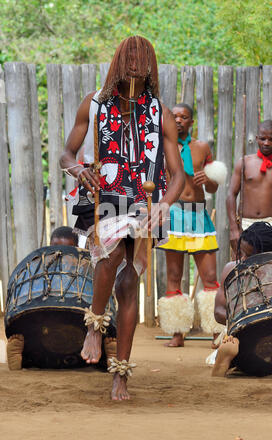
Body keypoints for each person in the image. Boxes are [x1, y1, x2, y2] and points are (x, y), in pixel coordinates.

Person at [60, 36, 185, 400]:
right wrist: (79, 170)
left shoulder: (160, 113)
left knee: (129, 283)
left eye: (141, 57)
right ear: (118, 60)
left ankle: (121, 374)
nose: (134, 63)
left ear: (150, 64)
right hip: (105, 200)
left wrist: (165, 204)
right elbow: (67, 154)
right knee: (113, 253)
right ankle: (96, 324)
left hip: (146, 204)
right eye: (128, 56)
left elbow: (177, 175)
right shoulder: (95, 104)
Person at [157, 103, 227, 348]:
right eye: (174, 116)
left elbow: (213, 188)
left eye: (183, 117)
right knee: (175, 276)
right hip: (174, 215)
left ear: (191, 122)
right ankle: (178, 333)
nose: (178, 120)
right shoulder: (163, 147)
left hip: (198, 215)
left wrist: (208, 179)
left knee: (209, 276)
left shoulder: (201, 147)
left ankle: (217, 331)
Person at [6, 226, 118, 371]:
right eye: (56, 249)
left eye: (67, 250)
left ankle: (108, 346)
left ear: (77, 248)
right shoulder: (42, 267)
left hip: (75, 323)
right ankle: (18, 343)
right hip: (49, 321)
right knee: (29, 323)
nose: (61, 255)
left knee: (97, 325)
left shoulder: (86, 268)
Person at [211, 221, 272, 377]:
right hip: (239, 333)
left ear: (267, 255)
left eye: (250, 256)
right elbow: (218, 311)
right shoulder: (231, 269)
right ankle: (228, 357)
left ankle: (237, 361)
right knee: (240, 345)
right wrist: (244, 321)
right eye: (242, 253)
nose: (244, 259)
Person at [227, 120, 272, 256]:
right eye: (262, 139)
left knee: (268, 270)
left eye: (271, 139)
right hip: (245, 225)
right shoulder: (244, 163)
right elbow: (231, 195)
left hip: (271, 226)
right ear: (257, 139)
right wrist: (234, 229)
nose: (266, 143)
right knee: (241, 270)